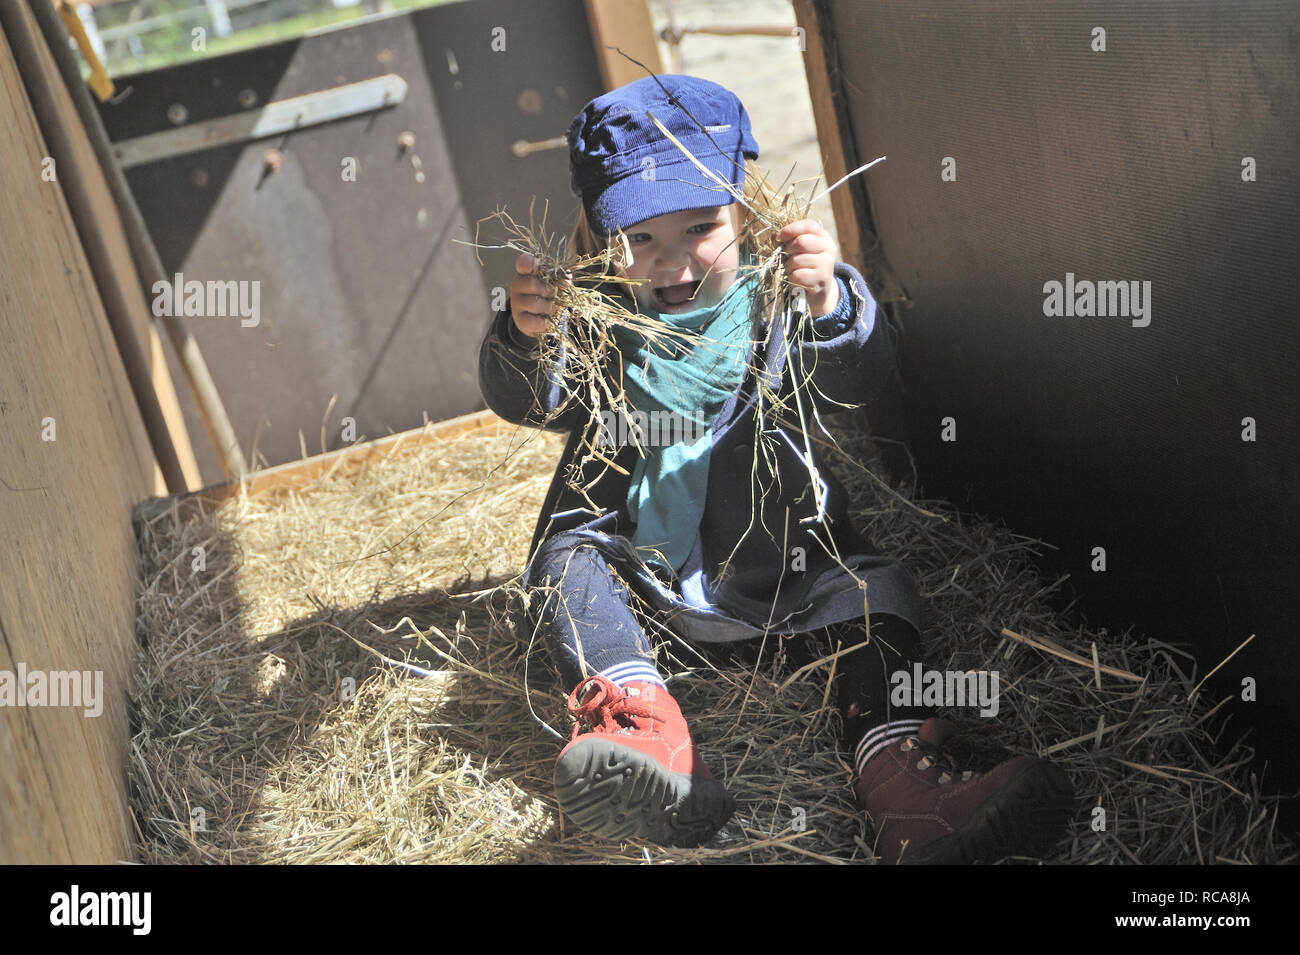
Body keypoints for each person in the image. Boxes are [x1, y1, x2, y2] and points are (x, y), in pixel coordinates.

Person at [478, 75, 1073, 862]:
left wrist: (831, 302)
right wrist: (524, 338)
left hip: (790, 578)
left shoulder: (779, 304)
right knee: (568, 561)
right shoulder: (592, 318)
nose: (672, 263)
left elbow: (858, 383)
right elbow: (530, 400)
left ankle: (904, 786)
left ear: (748, 214)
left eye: (698, 226)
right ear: (594, 241)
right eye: (640, 240)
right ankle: (644, 731)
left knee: (876, 593)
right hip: (644, 591)